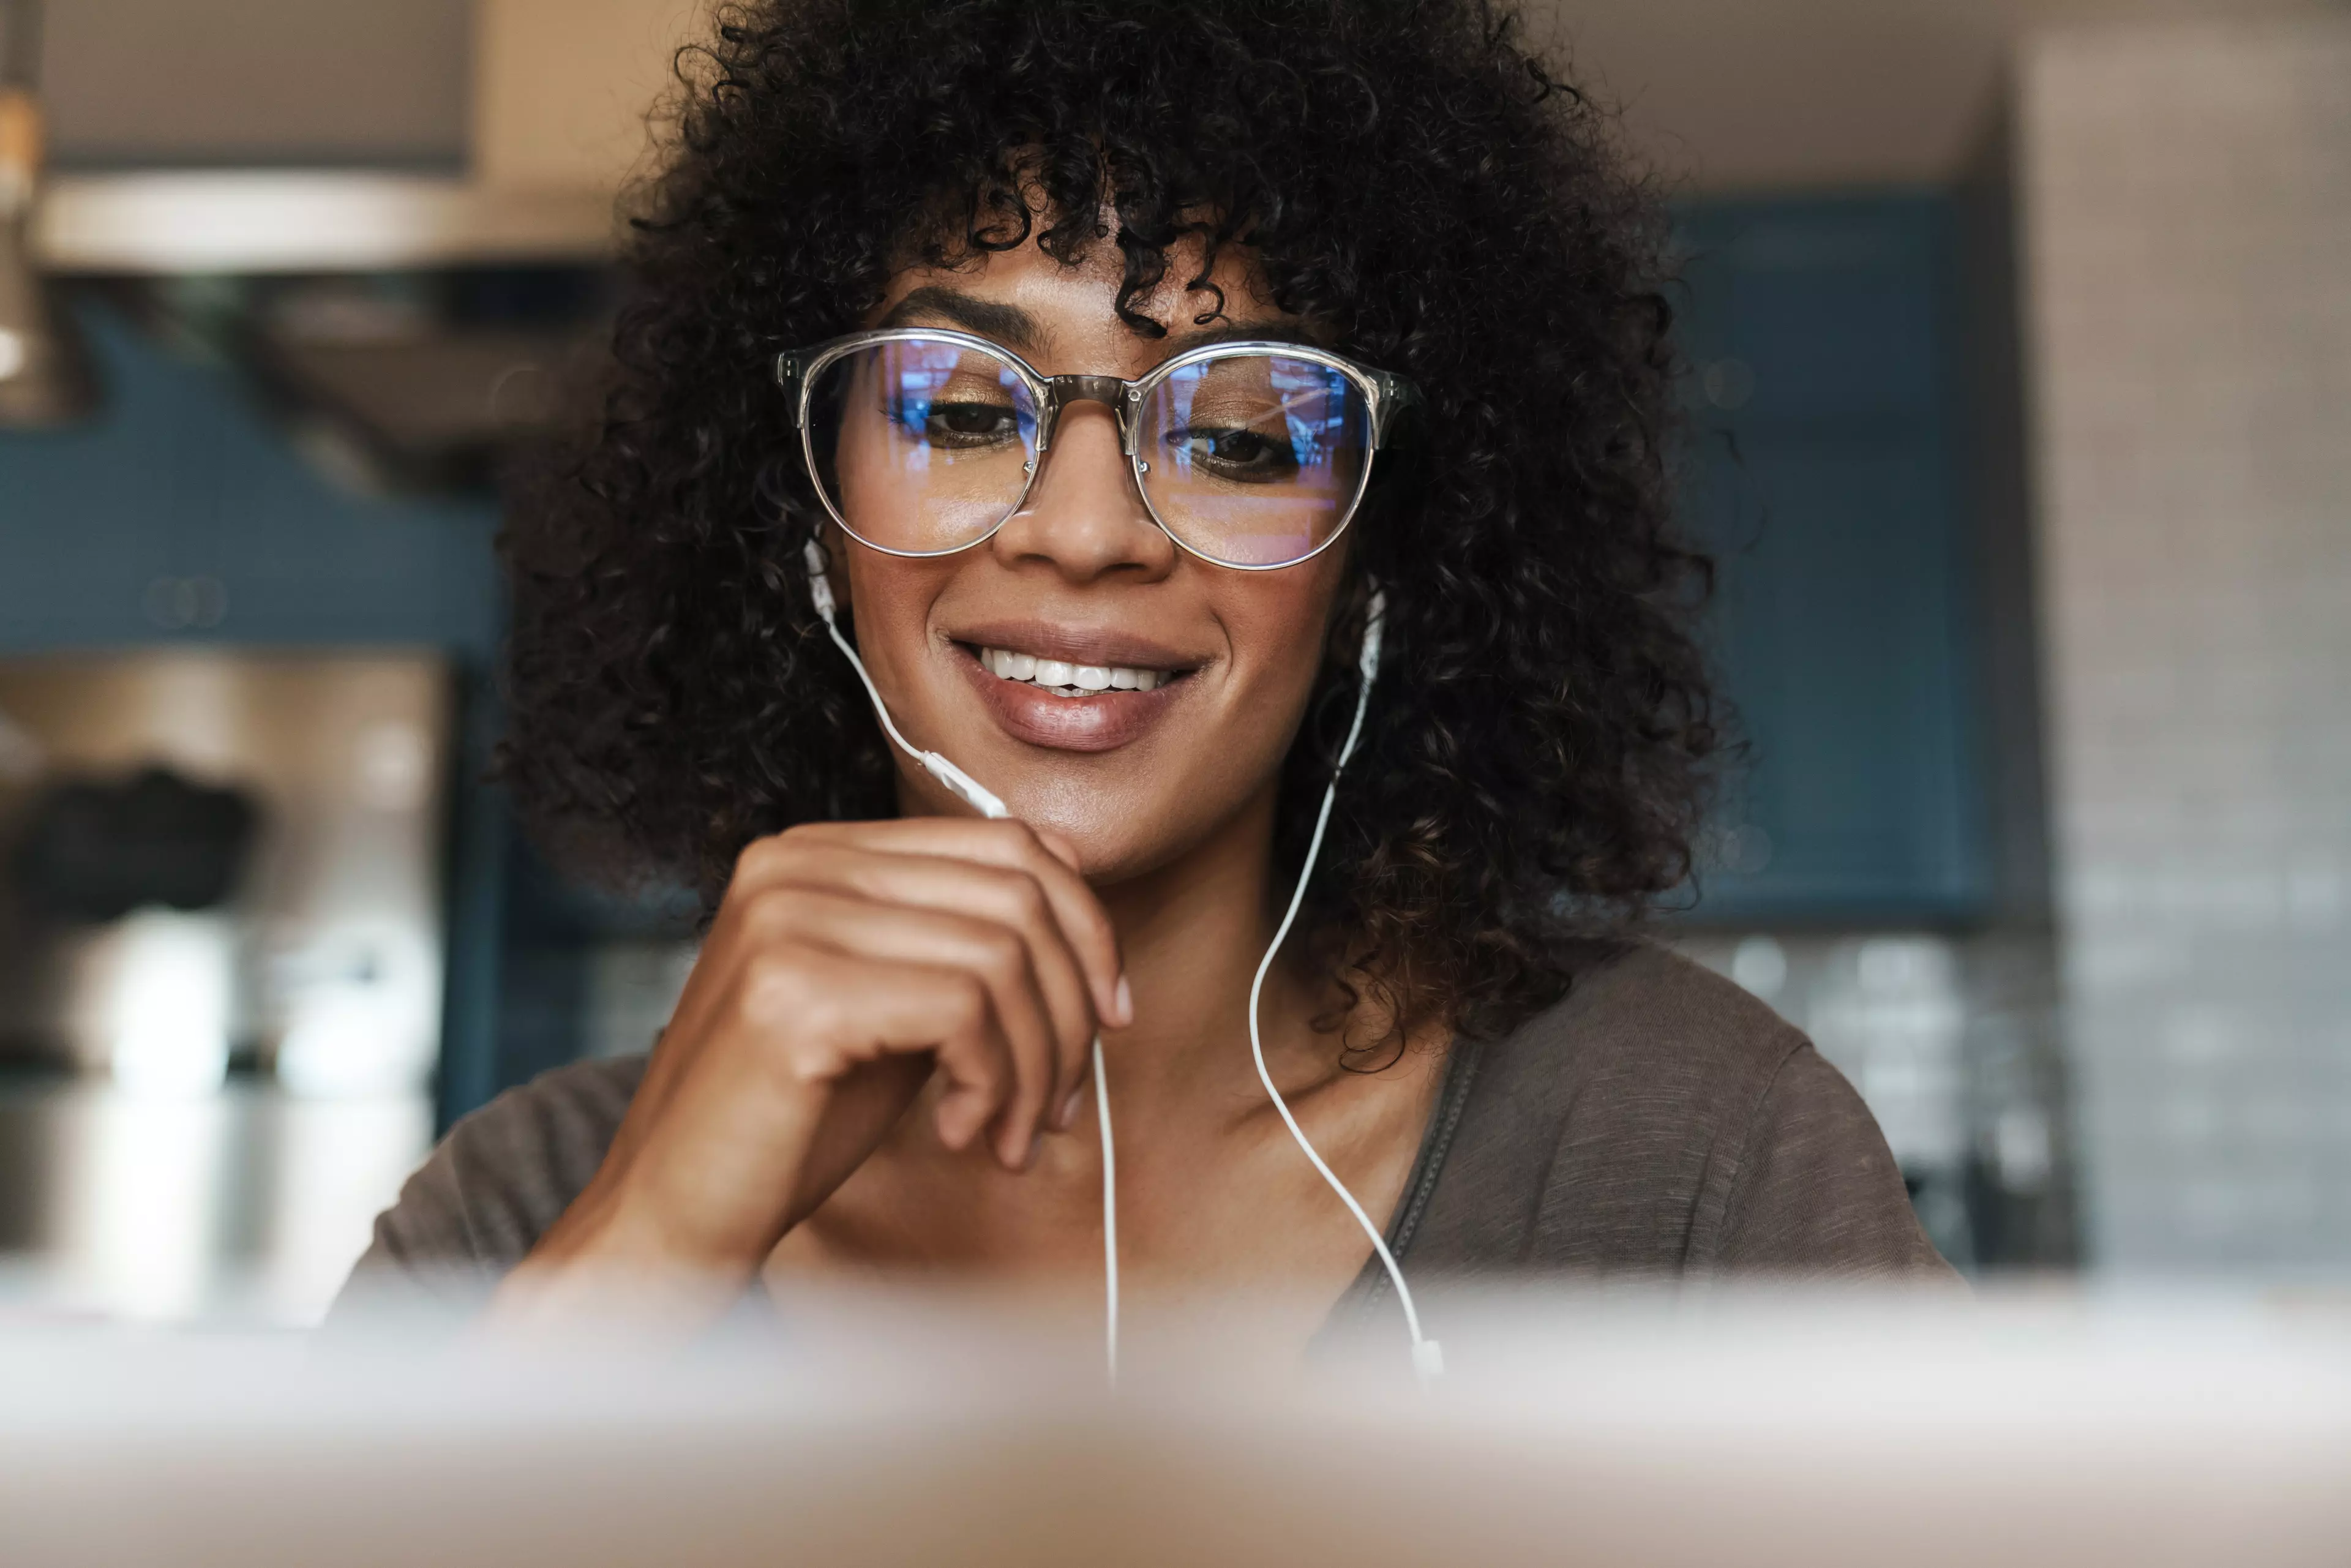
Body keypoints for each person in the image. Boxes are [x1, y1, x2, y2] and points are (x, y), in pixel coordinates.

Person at [340, 0, 1950, 1348]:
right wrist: (646, 1251)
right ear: (805, 514)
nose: (1088, 530)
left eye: (1242, 431)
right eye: (962, 412)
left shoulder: (1687, 1154)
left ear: (1383, 546)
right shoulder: (525, 1210)